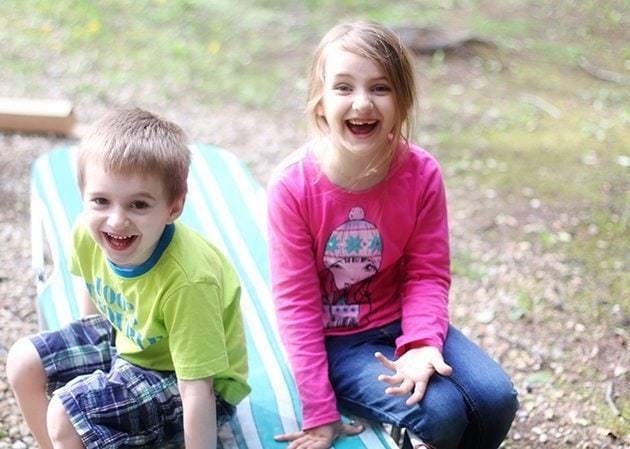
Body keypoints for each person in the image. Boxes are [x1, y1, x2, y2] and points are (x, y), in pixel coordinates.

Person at [266, 21, 518, 449]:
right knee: (440, 413)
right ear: (320, 102)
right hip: (338, 344)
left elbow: (427, 273)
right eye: (343, 87)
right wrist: (320, 411)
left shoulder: (421, 174)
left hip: (403, 319)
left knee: (497, 399)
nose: (362, 103)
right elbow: (296, 304)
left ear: (402, 102)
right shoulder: (293, 187)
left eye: (380, 87)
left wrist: (421, 343)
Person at [6, 108, 250, 449]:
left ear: (173, 207)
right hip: (129, 339)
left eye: (138, 205)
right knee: (22, 361)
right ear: (84, 197)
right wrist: (96, 369)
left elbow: (198, 388)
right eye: (101, 201)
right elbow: (93, 298)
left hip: (188, 382)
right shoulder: (88, 232)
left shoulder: (188, 280)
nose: (116, 221)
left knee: (67, 412)